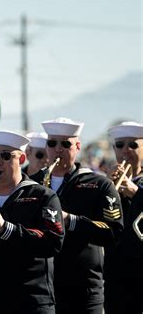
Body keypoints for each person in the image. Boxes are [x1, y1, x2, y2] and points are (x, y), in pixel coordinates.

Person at [31, 117, 124, 314]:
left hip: (83, 285)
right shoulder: (31, 184)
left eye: (65, 144)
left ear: (77, 146)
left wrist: (70, 220)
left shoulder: (99, 184)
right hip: (40, 287)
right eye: (52, 143)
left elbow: (114, 231)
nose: (58, 149)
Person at [0, 130, 65, 314]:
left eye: (5, 155)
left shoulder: (43, 196)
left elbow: (53, 241)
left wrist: (6, 228)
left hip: (30, 301)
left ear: (21, 159)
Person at [104, 121, 143, 314]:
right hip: (115, 268)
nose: (126, 150)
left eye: (133, 145)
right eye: (120, 145)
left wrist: (137, 193)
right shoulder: (105, 183)